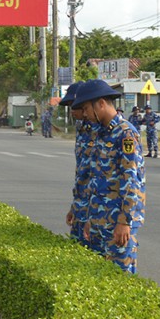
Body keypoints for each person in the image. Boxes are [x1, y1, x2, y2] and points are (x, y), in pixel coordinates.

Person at [71, 80, 145, 274]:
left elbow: (131, 181)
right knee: (97, 276)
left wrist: (124, 221)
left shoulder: (125, 134)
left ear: (101, 104)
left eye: (86, 108)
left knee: (120, 276)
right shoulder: (101, 133)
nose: (84, 114)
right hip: (99, 219)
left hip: (117, 223)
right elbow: (96, 179)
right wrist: (91, 218)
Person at [62, 82, 99, 252]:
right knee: (78, 251)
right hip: (81, 204)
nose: (72, 110)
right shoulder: (81, 127)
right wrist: (75, 206)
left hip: (97, 208)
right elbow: (82, 173)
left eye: (74, 105)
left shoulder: (101, 128)